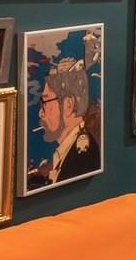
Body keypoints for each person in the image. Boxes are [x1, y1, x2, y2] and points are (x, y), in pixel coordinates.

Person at [28, 55, 100, 191]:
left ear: (68, 105)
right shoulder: (70, 151)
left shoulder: (82, 156)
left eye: (45, 102)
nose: (40, 113)